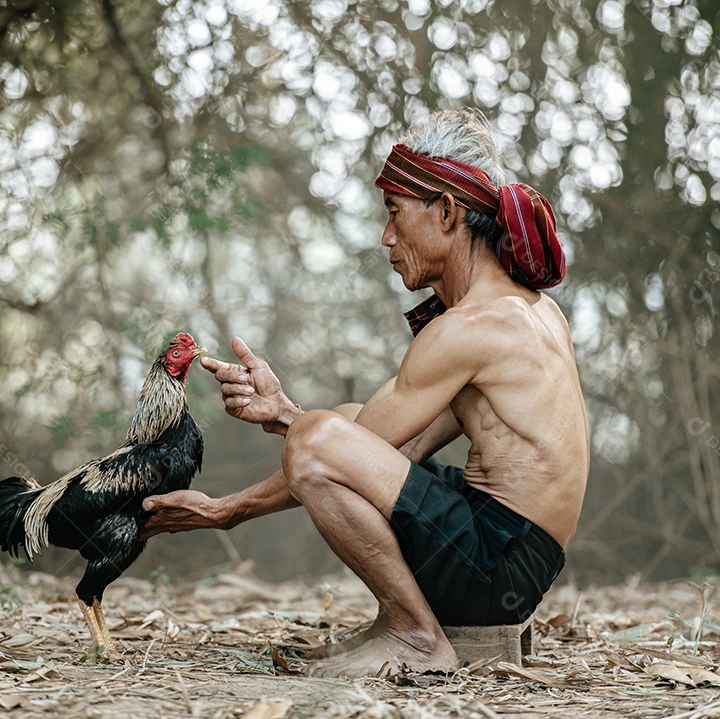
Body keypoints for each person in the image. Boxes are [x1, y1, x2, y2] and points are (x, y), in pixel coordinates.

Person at [141, 108, 590, 678]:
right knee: (341, 418)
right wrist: (285, 414)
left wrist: (225, 511)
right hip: (512, 559)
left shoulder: (469, 328)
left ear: (447, 212)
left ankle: (417, 637)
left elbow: (326, 449)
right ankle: (399, 625)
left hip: (494, 566)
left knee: (318, 437)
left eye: (395, 212)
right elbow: (389, 441)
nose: (386, 237)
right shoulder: (528, 308)